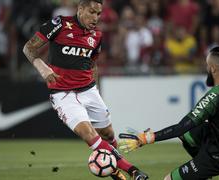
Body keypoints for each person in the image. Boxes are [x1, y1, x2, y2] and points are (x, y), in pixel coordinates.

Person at [22, 0, 148, 180]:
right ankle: (133, 171)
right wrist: (42, 67)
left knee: (108, 134)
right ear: (80, 9)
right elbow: (28, 48)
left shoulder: (96, 35)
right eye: (92, 12)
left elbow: (92, 64)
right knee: (89, 134)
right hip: (63, 95)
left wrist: (95, 89)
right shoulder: (60, 24)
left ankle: (111, 166)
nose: (96, 18)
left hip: (89, 90)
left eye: (98, 14)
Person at [119, 46, 219, 180]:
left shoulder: (214, 97)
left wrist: (148, 138)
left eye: (207, 66)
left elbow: (182, 126)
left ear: (213, 69)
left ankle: (202, 171)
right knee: (187, 134)